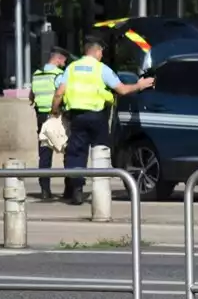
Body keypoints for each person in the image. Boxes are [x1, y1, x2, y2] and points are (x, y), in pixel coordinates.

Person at [51, 34, 153, 205]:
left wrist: (54, 111)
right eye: (101, 52)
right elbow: (121, 90)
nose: (102, 55)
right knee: (101, 152)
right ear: (96, 51)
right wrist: (139, 85)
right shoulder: (101, 69)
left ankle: (77, 190)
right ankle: (100, 190)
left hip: (77, 116)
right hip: (97, 116)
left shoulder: (72, 68)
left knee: (76, 153)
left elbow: (59, 92)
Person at [29, 47, 67, 199]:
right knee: (67, 150)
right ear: (57, 59)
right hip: (56, 115)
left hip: (41, 116)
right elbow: (61, 94)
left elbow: (31, 95)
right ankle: (70, 189)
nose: (64, 63)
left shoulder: (37, 74)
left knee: (44, 154)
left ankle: (44, 190)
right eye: (63, 60)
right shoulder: (58, 74)